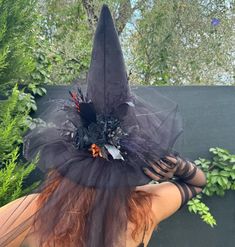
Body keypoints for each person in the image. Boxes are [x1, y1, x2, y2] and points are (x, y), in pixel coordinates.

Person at [0, 4, 207, 247]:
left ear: (68, 157)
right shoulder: (145, 210)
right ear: (130, 162)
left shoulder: (34, 212)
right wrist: (180, 167)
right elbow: (197, 183)